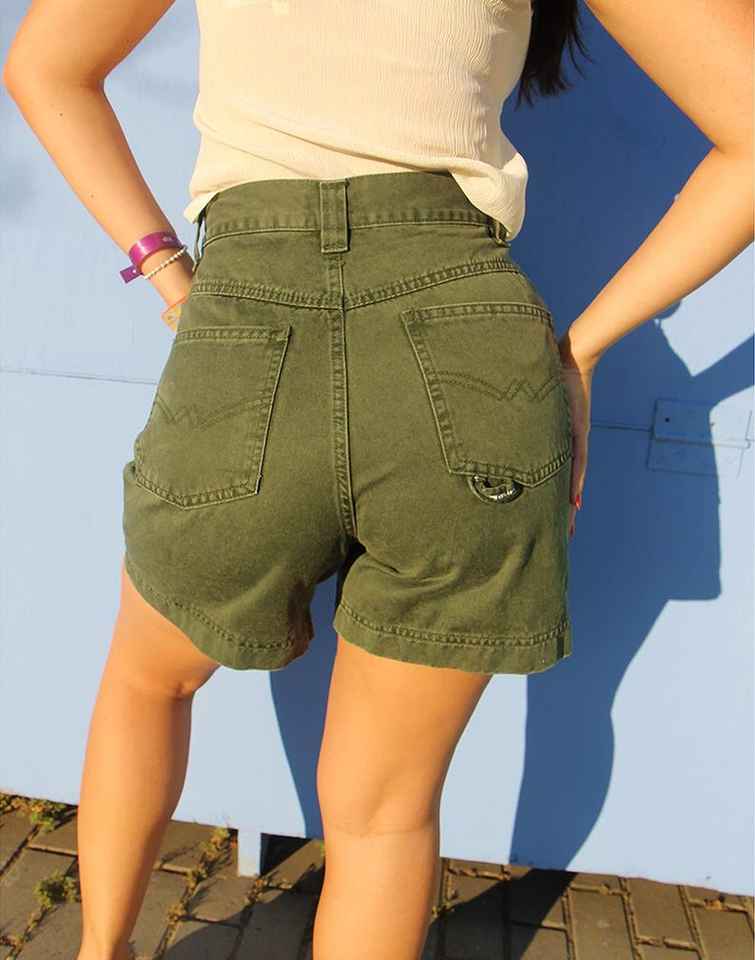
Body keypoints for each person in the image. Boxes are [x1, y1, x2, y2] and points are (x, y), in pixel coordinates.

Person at [3, 1, 752, 958]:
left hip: (248, 320)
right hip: (471, 348)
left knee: (149, 685)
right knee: (384, 814)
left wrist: (165, 269)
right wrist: (582, 352)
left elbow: (43, 68)